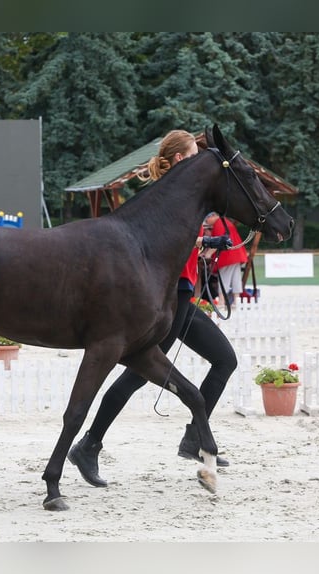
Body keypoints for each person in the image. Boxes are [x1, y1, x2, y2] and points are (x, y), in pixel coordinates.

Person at [67, 129, 238, 487]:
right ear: (179, 160)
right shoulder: (160, 199)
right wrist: (203, 240)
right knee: (137, 373)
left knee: (224, 359)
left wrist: (205, 243)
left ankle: (194, 437)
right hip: (166, 297)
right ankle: (89, 444)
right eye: (192, 156)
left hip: (184, 293)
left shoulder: (185, 198)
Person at [209, 215, 248, 308]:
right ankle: (236, 301)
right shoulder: (225, 221)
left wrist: (207, 254)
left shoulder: (219, 223)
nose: (206, 221)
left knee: (224, 279)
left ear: (213, 216)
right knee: (236, 279)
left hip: (228, 256)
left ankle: (222, 301)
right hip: (236, 254)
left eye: (207, 219)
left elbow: (217, 242)